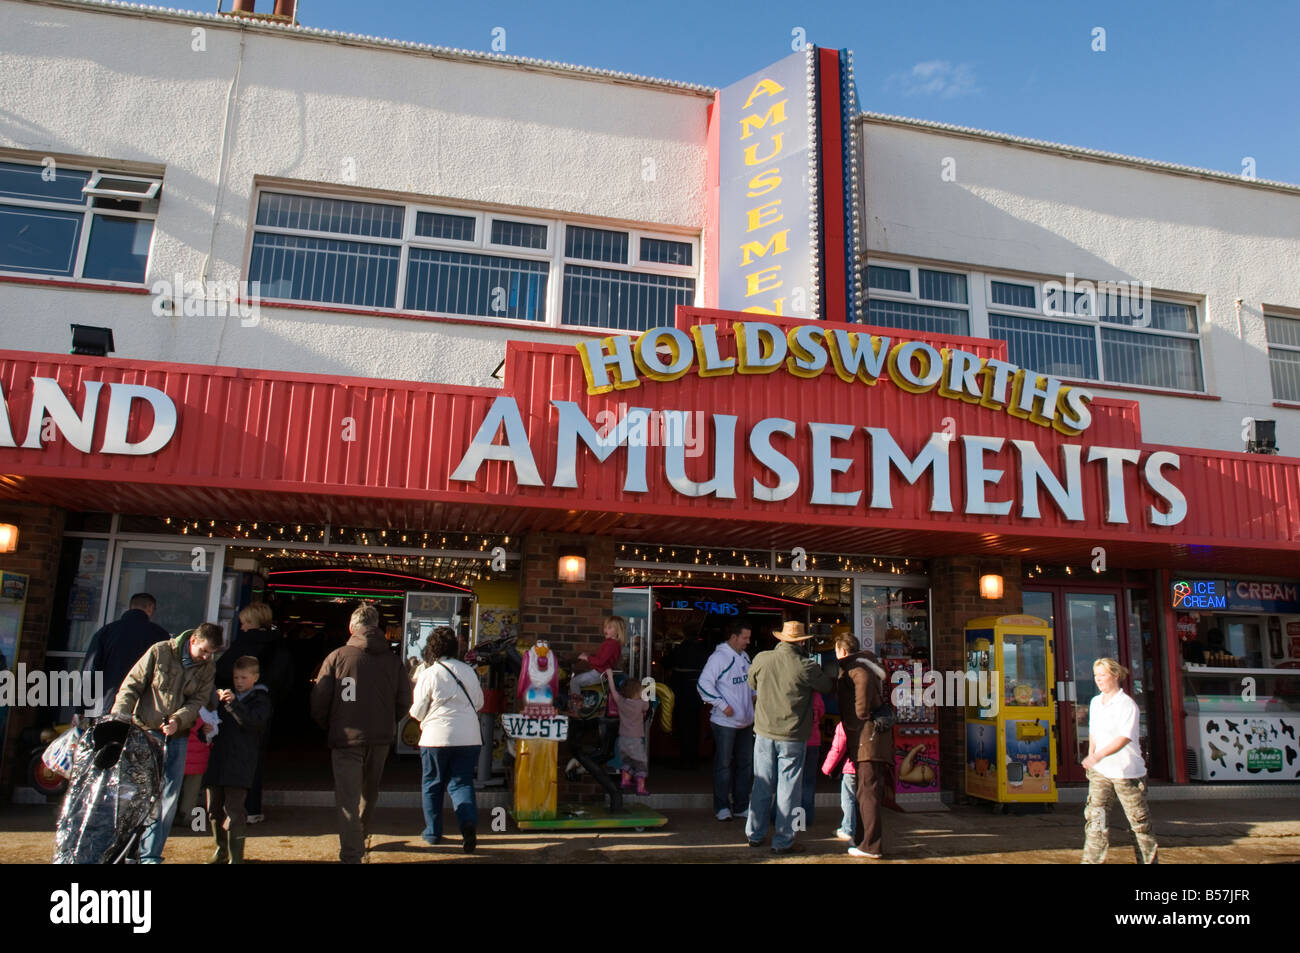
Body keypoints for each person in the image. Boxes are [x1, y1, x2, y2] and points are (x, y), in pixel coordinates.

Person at [311, 604, 412, 864]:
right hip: (380, 738)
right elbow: (404, 700)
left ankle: (351, 853)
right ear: (377, 626)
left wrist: (329, 723)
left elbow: (320, 699)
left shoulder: (337, 657)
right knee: (369, 792)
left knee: (347, 797)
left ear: (351, 627)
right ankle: (362, 835)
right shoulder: (393, 661)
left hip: (346, 737)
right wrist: (388, 721)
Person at [112, 622, 219, 863]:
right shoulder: (160, 651)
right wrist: (120, 719)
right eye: (203, 650)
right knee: (136, 793)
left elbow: (198, 701)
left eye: (211, 653)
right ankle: (125, 850)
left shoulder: (207, 667)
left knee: (168, 798)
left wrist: (179, 721)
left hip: (177, 736)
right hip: (145, 731)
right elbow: (132, 685)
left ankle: (151, 856)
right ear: (192, 640)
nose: (206, 657)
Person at [744, 620, 835, 854]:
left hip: (764, 731)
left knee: (762, 783)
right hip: (793, 734)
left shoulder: (762, 658)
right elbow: (827, 686)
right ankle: (783, 840)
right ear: (801, 642)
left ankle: (754, 834)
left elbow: (751, 682)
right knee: (789, 788)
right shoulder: (806, 666)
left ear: (781, 639)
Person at [409, 626, 484, 852]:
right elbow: (479, 703)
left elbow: (419, 710)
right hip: (469, 737)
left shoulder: (429, 673)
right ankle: (468, 824)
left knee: (433, 785)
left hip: (435, 738)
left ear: (432, 649)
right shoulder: (469, 672)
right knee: (461, 783)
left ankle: (433, 832)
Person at [215, 602, 291, 824]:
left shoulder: (244, 643)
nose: (242, 627)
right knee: (255, 757)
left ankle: (232, 810)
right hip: (264, 706)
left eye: (243, 622)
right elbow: (286, 679)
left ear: (250, 622)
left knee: (232, 756)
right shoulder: (279, 645)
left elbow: (220, 671)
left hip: (235, 706)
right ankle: (252, 808)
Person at [1081, 658, 1158, 864]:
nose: (1098, 680)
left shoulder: (1127, 704)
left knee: (1139, 823)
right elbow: (1093, 731)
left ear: (1115, 675)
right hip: (1101, 772)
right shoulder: (1095, 702)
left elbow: (1124, 738)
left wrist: (1098, 755)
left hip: (1127, 773)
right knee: (1095, 820)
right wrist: (1092, 755)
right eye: (1096, 676)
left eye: (1103, 675)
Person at [204, 656, 272, 864]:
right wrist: (205, 731)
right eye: (236, 677)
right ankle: (221, 849)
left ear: (255, 677)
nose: (239, 681)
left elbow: (253, 723)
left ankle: (236, 856)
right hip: (218, 760)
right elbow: (213, 724)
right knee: (213, 809)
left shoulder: (261, 700)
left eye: (244, 677)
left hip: (241, 761)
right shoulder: (224, 700)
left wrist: (234, 705)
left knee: (234, 810)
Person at [836, 631, 891, 859]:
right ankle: (862, 841)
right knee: (866, 792)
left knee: (867, 793)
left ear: (842, 650)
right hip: (869, 740)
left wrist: (861, 712)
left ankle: (871, 846)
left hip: (867, 740)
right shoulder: (867, 663)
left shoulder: (855, 667)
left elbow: (863, 680)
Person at [697, 620, 754, 821]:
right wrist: (722, 705)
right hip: (724, 722)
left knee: (745, 765)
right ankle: (722, 807)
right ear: (733, 637)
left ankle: (741, 806)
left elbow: (751, 682)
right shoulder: (719, 658)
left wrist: (754, 695)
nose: (748, 642)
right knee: (723, 764)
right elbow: (703, 685)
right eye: (745, 638)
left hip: (746, 722)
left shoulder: (744, 657)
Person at [82, 593, 170, 716]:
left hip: (106, 702)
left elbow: (91, 669)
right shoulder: (160, 635)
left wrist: (81, 708)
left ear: (130, 607)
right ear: (150, 608)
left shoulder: (106, 632)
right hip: (143, 706)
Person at [606, 668, 650, 794]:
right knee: (641, 762)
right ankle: (641, 787)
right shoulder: (641, 704)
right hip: (635, 739)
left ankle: (625, 780)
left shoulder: (621, 701)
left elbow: (613, 691)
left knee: (627, 760)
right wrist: (645, 694)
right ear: (637, 692)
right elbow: (647, 706)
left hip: (623, 739)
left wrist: (609, 676)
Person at [178, 701, 219, 831]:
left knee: (174, 789)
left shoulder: (180, 713)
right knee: (192, 791)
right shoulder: (207, 715)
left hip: (180, 757)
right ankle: (189, 818)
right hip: (198, 759)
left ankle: (173, 816)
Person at [569, 616, 627, 702]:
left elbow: (600, 662)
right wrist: (590, 656)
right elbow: (603, 658)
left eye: (609, 627)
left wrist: (587, 658)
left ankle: (576, 706)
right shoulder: (614, 644)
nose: (605, 630)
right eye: (605, 627)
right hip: (601, 673)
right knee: (579, 678)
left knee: (574, 681)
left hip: (599, 673)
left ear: (618, 631)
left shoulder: (611, 644)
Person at [821, 718, 857, 842]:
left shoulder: (845, 724)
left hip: (851, 768)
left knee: (848, 800)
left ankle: (848, 828)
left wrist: (826, 768)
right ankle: (861, 828)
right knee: (864, 800)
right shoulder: (873, 720)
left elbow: (837, 749)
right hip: (868, 769)